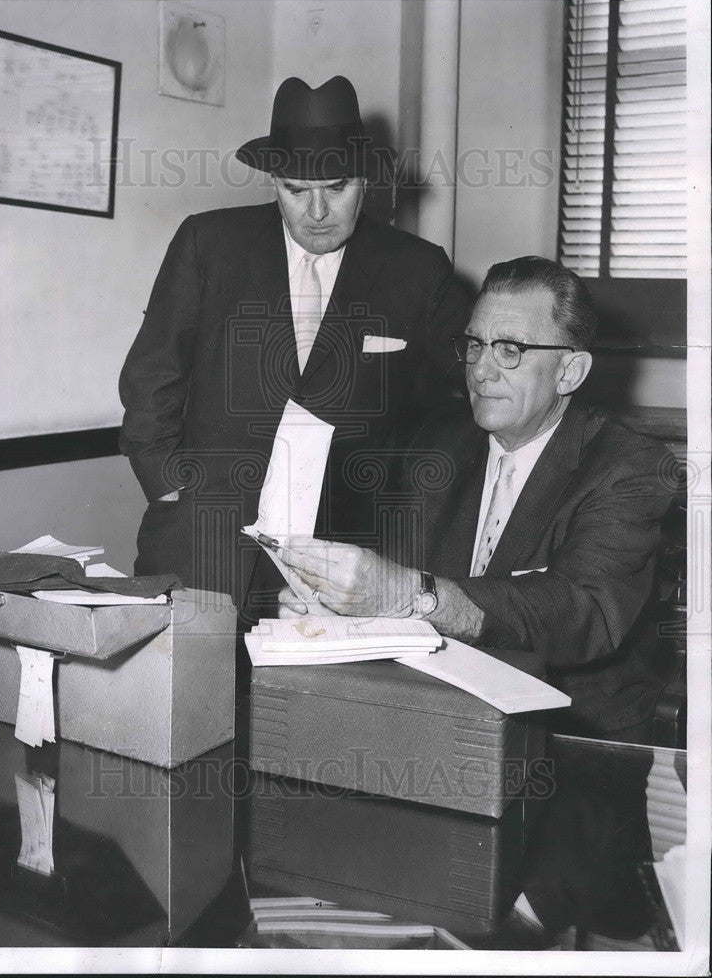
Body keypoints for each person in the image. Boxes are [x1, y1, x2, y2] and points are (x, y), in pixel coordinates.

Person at [276, 256, 676, 741]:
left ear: (569, 371)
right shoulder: (432, 448)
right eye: (475, 345)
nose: (481, 371)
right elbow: (387, 578)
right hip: (438, 716)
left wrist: (406, 595)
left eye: (510, 349)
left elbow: (582, 612)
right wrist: (334, 605)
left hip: (571, 740)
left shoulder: (628, 465)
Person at [119, 75, 468, 619]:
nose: (317, 212)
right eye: (296, 190)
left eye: (337, 188)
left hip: (343, 556)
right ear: (273, 181)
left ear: (367, 182)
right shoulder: (207, 243)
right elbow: (151, 378)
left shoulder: (418, 270)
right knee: (186, 698)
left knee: (315, 704)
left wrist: (406, 516)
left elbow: (457, 403)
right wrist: (168, 487)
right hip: (202, 538)